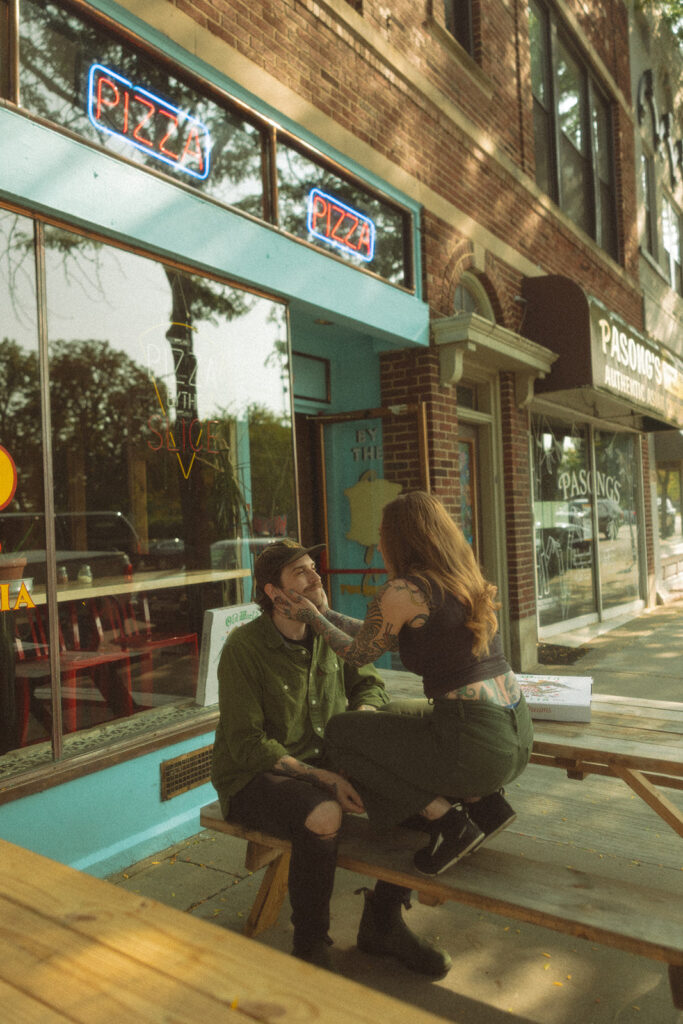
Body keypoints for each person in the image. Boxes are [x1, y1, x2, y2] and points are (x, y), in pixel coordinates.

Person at [211, 538, 452, 975]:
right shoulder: (243, 649)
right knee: (324, 814)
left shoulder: (327, 634)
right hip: (255, 776)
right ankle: (309, 945)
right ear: (273, 593)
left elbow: (369, 685)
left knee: (423, 801)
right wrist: (324, 778)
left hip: (329, 760)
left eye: (313, 567)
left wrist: (362, 724)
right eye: (300, 572)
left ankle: (384, 922)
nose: (316, 576)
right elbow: (247, 743)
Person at [272, 491, 534, 878]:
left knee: (342, 732)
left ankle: (449, 823)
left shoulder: (404, 590)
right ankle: (486, 806)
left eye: (382, 533)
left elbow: (359, 654)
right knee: (391, 712)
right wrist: (326, 613)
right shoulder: (460, 579)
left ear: (400, 538)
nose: (378, 543)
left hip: (476, 747)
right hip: (517, 734)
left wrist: (312, 618)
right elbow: (382, 637)